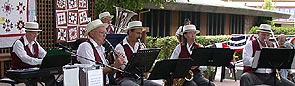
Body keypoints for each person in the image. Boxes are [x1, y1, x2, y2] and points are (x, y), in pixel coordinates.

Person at [76, 19, 126, 85]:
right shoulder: (85, 46)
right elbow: (93, 72)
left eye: (105, 33)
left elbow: (108, 73)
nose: (105, 35)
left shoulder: (101, 48)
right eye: (102, 33)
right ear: (92, 34)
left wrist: (117, 64)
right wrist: (114, 65)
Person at [115, 21, 161, 86]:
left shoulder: (141, 46)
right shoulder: (120, 47)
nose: (140, 36)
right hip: (124, 78)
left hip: (138, 78)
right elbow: (124, 68)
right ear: (130, 32)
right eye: (137, 33)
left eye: (140, 33)